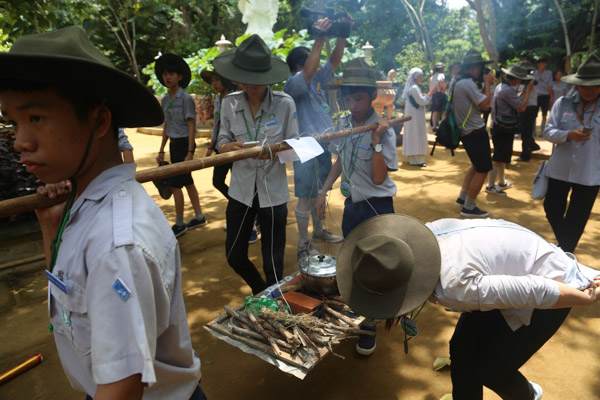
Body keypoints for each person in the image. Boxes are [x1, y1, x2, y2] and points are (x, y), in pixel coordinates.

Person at [0, 26, 204, 399]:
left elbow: (122, 388)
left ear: (101, 121)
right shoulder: (83, 206)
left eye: (36, 118)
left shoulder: (116, 244)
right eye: (13, 123)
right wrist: (51, 228)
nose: (20, 142)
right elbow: (71, 293)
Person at [336, 214, 600, 400]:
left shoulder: (453, 286)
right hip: (502, 274)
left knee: (493, 372)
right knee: (461, 350)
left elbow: (538, 290)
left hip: (557, 287)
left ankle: (528, 395)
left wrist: (586, 298)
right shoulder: (422, 239)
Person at [317, 57, 398, 356]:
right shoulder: (344, 124)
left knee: (374, 267)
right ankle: (358, 310)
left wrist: (375, 138)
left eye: (359, 98)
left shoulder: (384, 130)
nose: (352, 105)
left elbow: (378, 178)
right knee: (352, 261)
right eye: (347, 99)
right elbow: (341, 160)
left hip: (378, 207)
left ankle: (370, 324)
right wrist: (324, 189)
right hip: (353, 205)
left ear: (373, 95)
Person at [215, 34, 299, 295]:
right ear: (237, 77)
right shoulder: (229, 103)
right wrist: (226, 148)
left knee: (273, 261)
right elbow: (222, 139)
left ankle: (272, 301)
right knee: (234, 254)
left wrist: (275, 150)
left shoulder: (285, 104)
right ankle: (261, 290)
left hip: (273, 191)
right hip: (240, 190)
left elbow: (294, 146)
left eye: (258, 79)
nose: (252, 85)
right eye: (246, 79)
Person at [284, 17, 346, 259]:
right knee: (306, 196)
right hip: (305, 145)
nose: (318, 64)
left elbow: (334, 61)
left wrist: (342, 35)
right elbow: (312, 69)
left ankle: (318, 231)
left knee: (319, 190)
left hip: (321, 144)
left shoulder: (315, 81)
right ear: (300, 65)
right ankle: (303, 244)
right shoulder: (293, 84)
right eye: (312, 58)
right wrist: (319, 38)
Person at [543, 53, 600, 254]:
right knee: (551, 208)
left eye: (594, 85)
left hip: (590, 172)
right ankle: (565, 249)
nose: (589, 90)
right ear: (577, 84)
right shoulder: (562, 103)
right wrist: (568, 135)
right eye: (585, 86)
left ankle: (564, 254)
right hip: (560, 169)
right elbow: (548, 132)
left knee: (577, 218)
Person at [155, 53, 207, 238]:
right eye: (165, 74)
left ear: (180, 77)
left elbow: (191, 125)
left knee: (175, 186)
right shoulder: (165, 100)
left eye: (171, 74)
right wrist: (161, 149)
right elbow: (167, 125)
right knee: (187, 182)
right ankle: (199, 216)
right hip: (173, 145)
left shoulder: (185, 99)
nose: (167, 77)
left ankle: (179, 223)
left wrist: (190, 151)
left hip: (185, 144)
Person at [452, 51, 495, 217]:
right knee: (483, 169)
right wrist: (488, 84)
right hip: (475, 132)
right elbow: (485, 105)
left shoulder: (458, 81)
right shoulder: (468, 83)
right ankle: (469, 207)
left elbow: (478, 100)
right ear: (475, 68)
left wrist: (485, 86)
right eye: (481, 67)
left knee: (477, 166)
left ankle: (462, 198)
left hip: (467, 132)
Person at [487, 63, 534, 194]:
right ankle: (490, 185)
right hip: (502, 128)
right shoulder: (507, 90)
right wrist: (528, 91)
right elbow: (522, 107)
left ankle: (501, 182)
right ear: (516, 79)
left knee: (502, 156)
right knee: (498, 157)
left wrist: (523, 91)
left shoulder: (502, 87)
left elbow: (513, 100)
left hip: (500, 126)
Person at [402, 67, 434, 166]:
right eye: (420, 76)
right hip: (415, 117)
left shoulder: (413, 88)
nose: (421, 78)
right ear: (415, 77)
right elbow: (421, 102)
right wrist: (430, 94)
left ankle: (413, 159)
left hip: (413, 116)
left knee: (412, 134)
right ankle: (418, 160)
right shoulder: (414, 88)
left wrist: (424, 96)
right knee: (416, 134)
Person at [514, 61, 541, 162]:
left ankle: (525, 154)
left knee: (525, 131)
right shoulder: (525, 80)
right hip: (530, 107)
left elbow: (523, 93)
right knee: (527, 130)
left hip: (529, 108)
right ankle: (532, 145)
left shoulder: (529, 80)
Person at [533, 57, 553, 136]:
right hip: (536, 96)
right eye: (542, 63)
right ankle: (534, 131)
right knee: (534, 114)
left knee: (544, 114)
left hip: (545, 96)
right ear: (538, 64)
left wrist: (551, 97)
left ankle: (542, 131)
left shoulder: (549, 73)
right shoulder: (533, 73)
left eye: (545, 63)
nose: (544, 65)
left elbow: (550, 86)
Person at [429, 62, 447, 130]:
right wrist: (444, 88)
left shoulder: (432, 77)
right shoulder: (441, 74)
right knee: (444, 111)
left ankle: (434, 126)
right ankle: (442, 126)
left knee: (435, 111)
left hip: (434, 95)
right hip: (440, 94)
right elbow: (439, 80)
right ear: (441, 69)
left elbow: (430, 87)